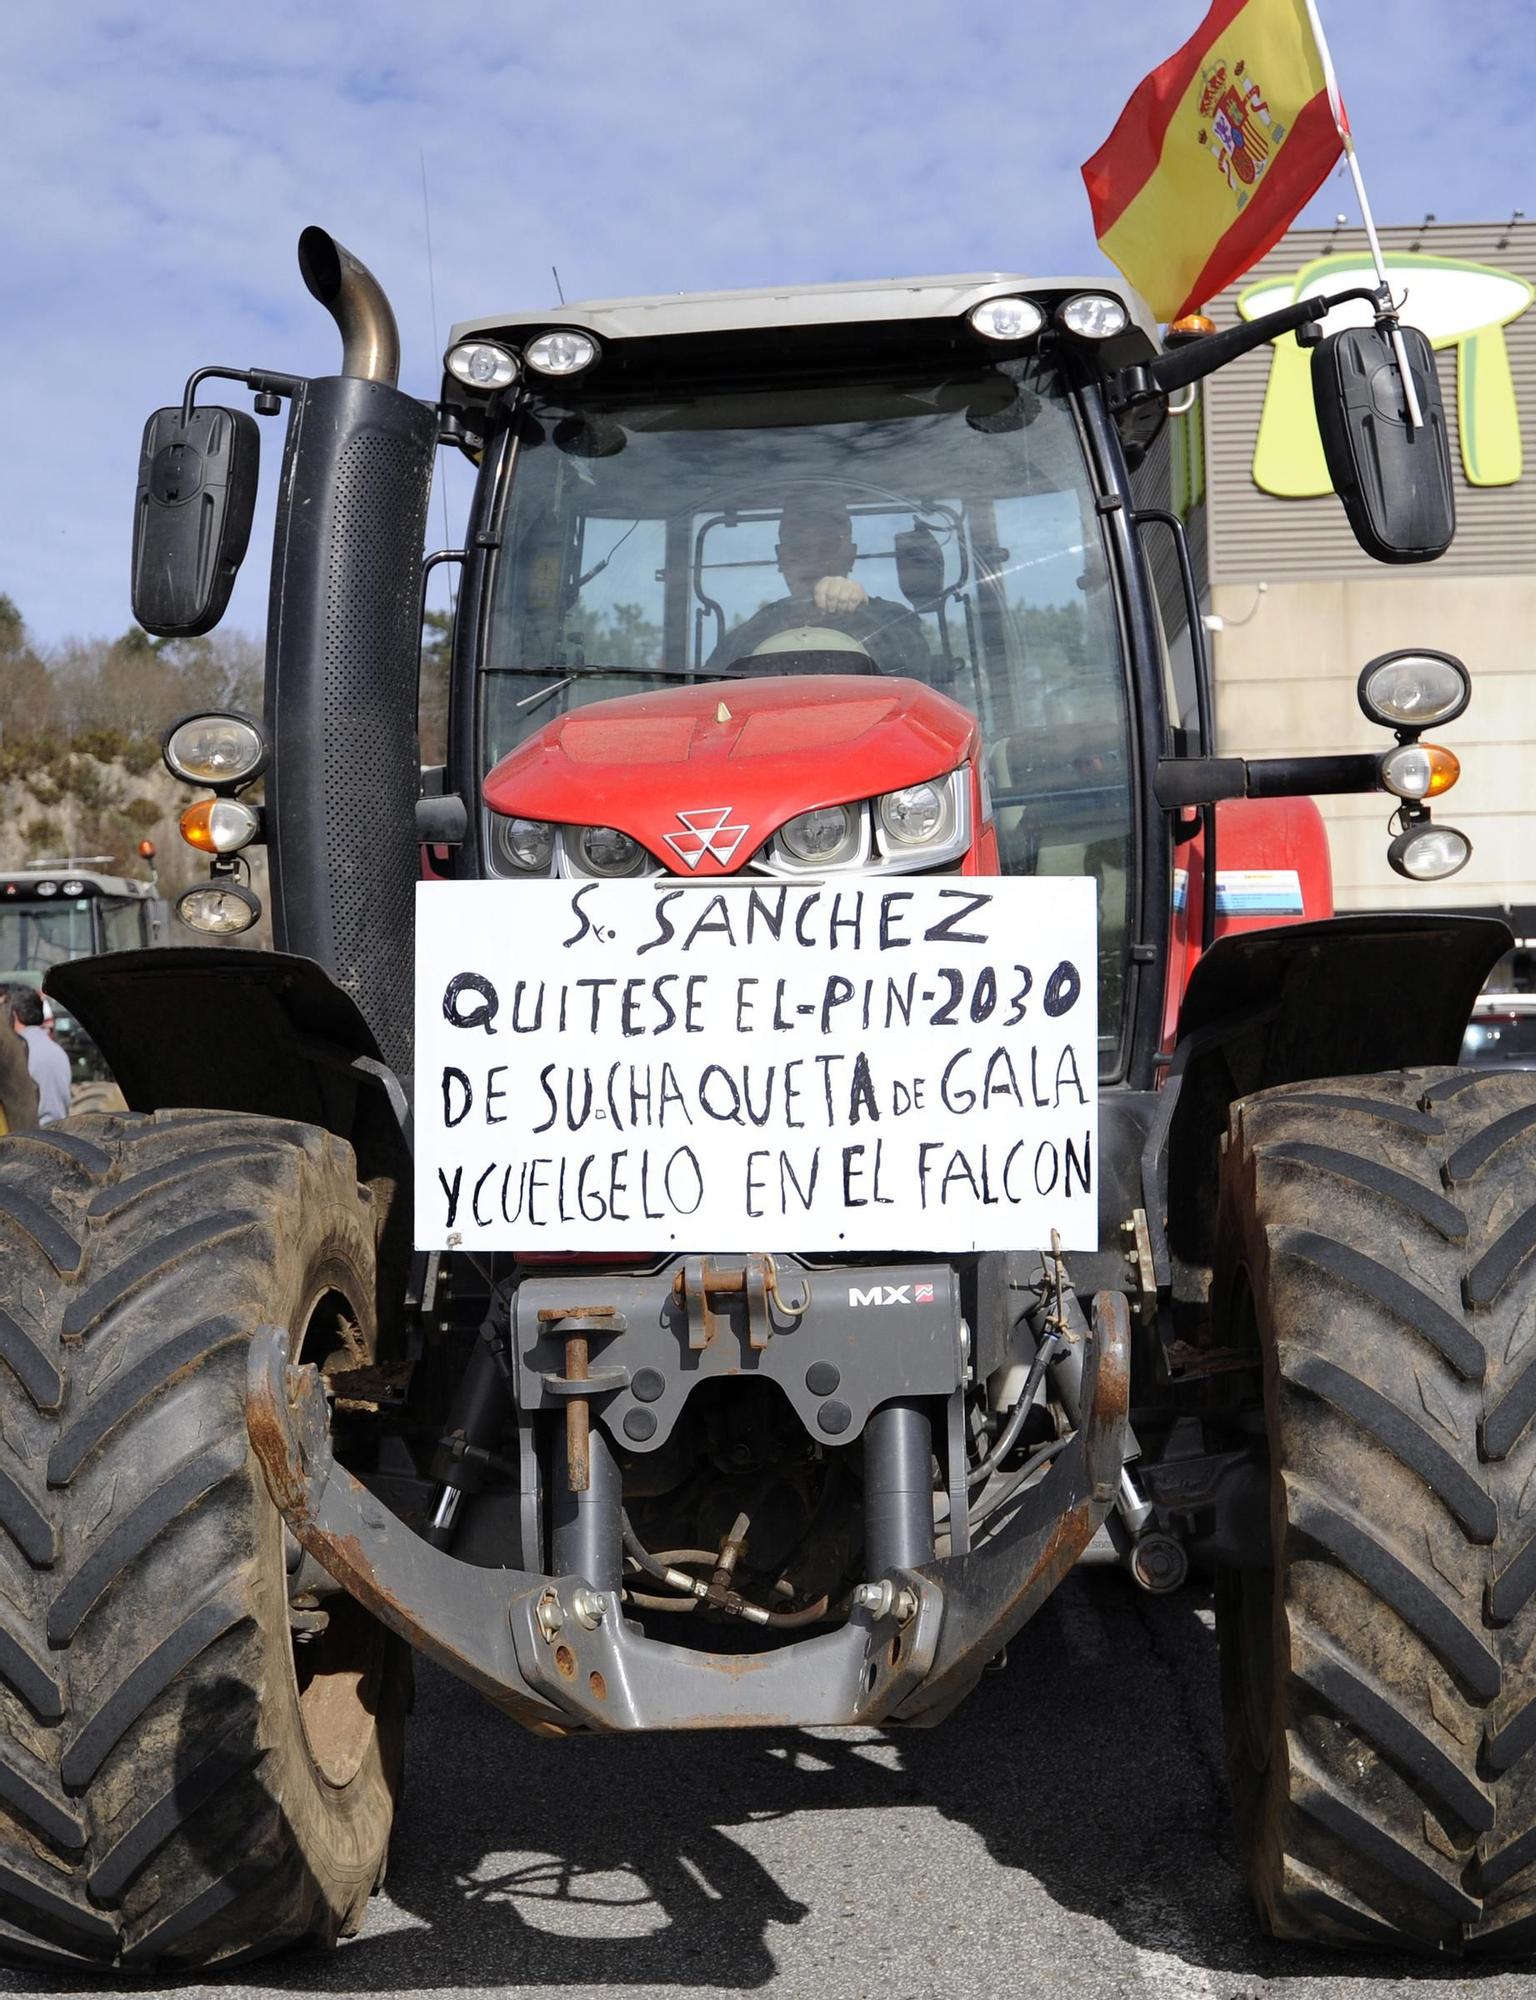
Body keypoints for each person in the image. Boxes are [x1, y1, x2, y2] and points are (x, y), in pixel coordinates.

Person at [708, 496, 932, 679]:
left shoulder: (893, 622)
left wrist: (864, 614)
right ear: (781, 558)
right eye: (799, 547)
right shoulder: (744, 638)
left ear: (851, 556)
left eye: (827, 546)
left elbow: (919, 678)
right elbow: (707, 695)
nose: (813, 560)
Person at [8, 986, 70, 1127]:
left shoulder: (15, 1053)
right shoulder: (58, 1052)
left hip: (27, 1141)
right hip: (59, 1138)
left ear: (14, 1014)